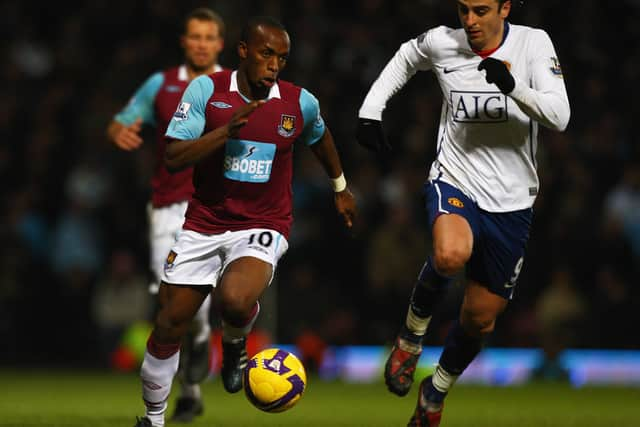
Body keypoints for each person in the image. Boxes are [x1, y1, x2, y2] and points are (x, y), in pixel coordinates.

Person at [133, 15, 357, 427]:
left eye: (282, 58)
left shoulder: (298, 102)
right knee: (169, 324)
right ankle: (153, 418)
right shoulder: (207, 91)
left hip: (263, 224)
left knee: (235, 300)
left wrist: (340, 187)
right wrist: (223, 134)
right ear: (243, 52)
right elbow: (173, 155)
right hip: (204, 222)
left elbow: (320, 137)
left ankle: (235, 342)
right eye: (266, 54)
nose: (274, 65)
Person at [356, 0, 570, 425]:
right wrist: (370, 109)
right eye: (463, 10)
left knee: (479, 320)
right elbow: (405, 57)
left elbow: (560, 117)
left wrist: (513, 87)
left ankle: (434, 391)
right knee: (450, 253)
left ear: (505, 8)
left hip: (511, 201)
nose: (470, 20)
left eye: (481, 10)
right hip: (456, 179)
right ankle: (411, 337)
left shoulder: (533, 44)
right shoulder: (444, 42)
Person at [106, 7, 225, 423]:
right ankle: (190, 384)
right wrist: (120, 130)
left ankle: (192, 379)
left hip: (217, 209)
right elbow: (123, 119)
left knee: (197, 307)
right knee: (171, 303)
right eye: (195, 36)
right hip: (168, 209)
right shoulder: (161, 84)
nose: (202, 44)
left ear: (220, 44)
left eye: (209, 37)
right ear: (184, 40)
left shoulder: (235, 85)